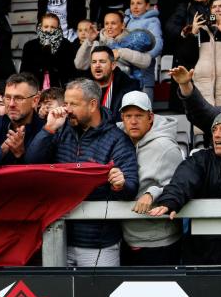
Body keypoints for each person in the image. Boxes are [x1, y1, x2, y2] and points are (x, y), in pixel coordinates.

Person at [26, 78, 139, 267]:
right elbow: (31, 163)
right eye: (66, 103)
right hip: (58, 235)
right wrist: (49, 128)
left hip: (98, 245)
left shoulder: (117, 139)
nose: (67, 109)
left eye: (73, 104)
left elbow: (131, 186)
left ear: (93, 104)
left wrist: (121, 184)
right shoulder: (61, 129)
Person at [149, 110, 221, 264]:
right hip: (202, 257)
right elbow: (183, 180)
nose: (217, 135)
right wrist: (171, 199)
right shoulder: (201, 160)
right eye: (214, 130)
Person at [116, 91, 184, 265]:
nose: (133, 121)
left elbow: (180, 186)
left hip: (160, 242)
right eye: (128, 116)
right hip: (126, 238)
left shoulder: (166, 147)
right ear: (122, 118)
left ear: (150, 117)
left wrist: (152, 192)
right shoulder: (117, 140)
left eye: (139, 115)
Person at [75, 11, 153, 86]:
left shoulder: (133, 39)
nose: (109, 27)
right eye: (106, 23)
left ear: (123, 25)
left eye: (113, 23)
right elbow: (80, 65)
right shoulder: (97, 41)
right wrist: (88, 41)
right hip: (102, 86)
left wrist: (121, 53)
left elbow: (147, 61)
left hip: (128, 85)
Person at [0, 73, 44, 165]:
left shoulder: (45, 131)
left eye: (18, 98)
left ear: (35, 101)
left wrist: (21, 155)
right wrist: (0, 152)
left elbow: (46, 173)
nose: (11, 104)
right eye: (7, 98)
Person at [79, 46, 141, 121]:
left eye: (102, 61)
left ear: (113, 65)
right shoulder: (81, 87)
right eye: (94, 62)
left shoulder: (129, 88)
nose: (97, 65)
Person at [20, 13, 78, 90]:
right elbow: (24, 72)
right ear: (41, 27)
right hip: (35, 88)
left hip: (59, 88)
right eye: (46, 27)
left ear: (58, 28)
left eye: (53, 27)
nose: (49, 30)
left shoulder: (66, 45)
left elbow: (70, 72)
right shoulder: (30, 46)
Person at [124, 0, 164, 100]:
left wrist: (145, 58)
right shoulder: (126, 21)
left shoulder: (152, 21)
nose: (135, 6)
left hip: (144, 76)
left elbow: (158, 44)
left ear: (147, 6)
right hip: (127, 75)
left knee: (145, 110)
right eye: (132, 3)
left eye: (139, 3)